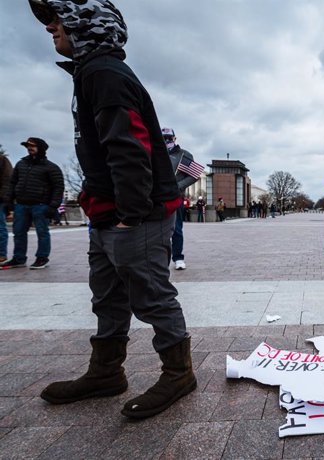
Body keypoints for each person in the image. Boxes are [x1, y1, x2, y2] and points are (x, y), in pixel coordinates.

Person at [29, 0, 196, 418]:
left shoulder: (104, 73)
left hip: (135, 213)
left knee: (152, 296)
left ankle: (179, 373)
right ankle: (106, 372)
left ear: (85, 25)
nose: (51, 28)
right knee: (107, 297)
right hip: (105, 210)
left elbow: (129, 146)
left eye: (58, 21)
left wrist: (130, 213)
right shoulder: (90, 72)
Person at [1, 137, 64, 269]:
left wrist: (53, 206)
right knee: (18, 233)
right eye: (28, 146)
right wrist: (9, 201)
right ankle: (18, 259)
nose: (30, 148)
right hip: (21, 205)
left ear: (41, 148)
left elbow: (58, 187)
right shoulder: (21, 164)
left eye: (33, 146)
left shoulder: (51, 167)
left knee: (42, 232)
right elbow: (12, 183)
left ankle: (42, 258)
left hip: (41, 206)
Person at [162, 128, 199, 270]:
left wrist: (178, 186)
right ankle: (160, 259)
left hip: (175, 196)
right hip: (156, 197)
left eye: (169, 138)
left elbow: (193, 175)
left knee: (176, 228)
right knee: (156, 230)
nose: (166, 141)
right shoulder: (154, 152)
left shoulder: (184, 155)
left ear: (174, 138)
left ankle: (178, 257)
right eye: (164, 137)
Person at [0, 149, 14, 264]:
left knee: (0, 228)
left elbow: (8, 180)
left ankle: (1, 254)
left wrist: (3, 198)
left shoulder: (2, 160)